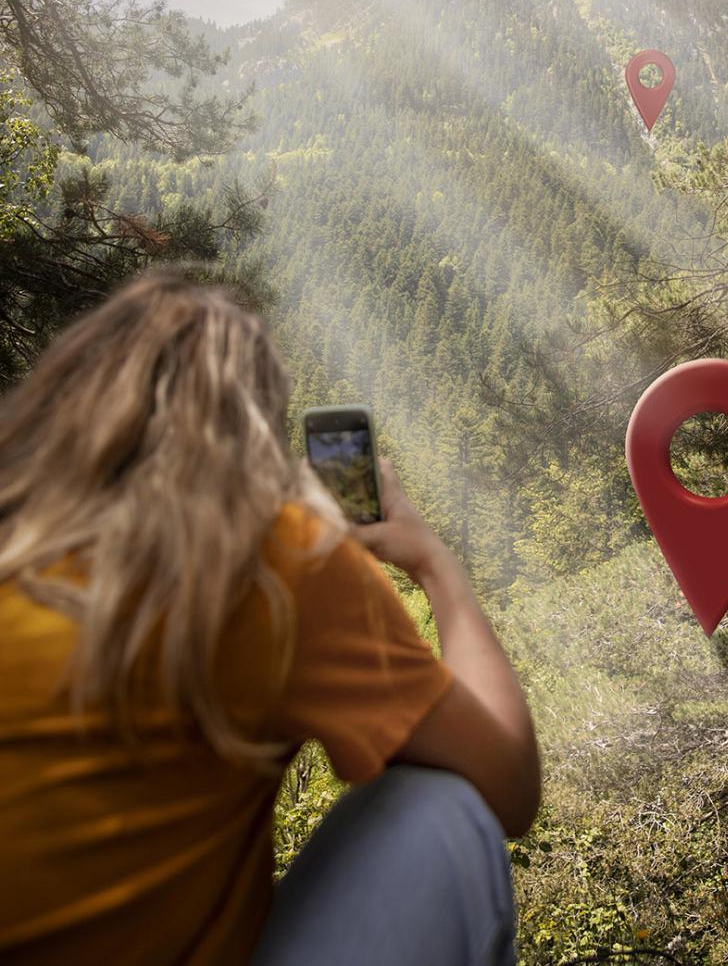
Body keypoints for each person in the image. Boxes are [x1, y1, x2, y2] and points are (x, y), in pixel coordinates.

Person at [0, 270, 541, 965]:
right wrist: (433, 562)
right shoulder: (271, 555)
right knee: (443, 810)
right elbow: (508, 785)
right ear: (252, 431)